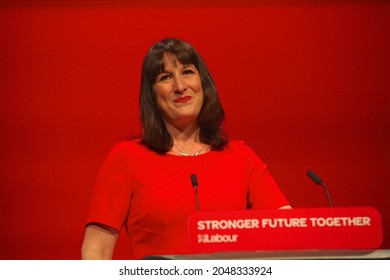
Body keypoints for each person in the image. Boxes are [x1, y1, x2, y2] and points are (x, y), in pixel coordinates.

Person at [81, 38, 291, 260]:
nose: (180, 86)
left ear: (203, 83)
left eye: (188, 72)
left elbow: (287, 231)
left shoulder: (240, 156)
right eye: (166, 77)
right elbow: (97, 250)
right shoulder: (126, 158)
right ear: (151, 95)